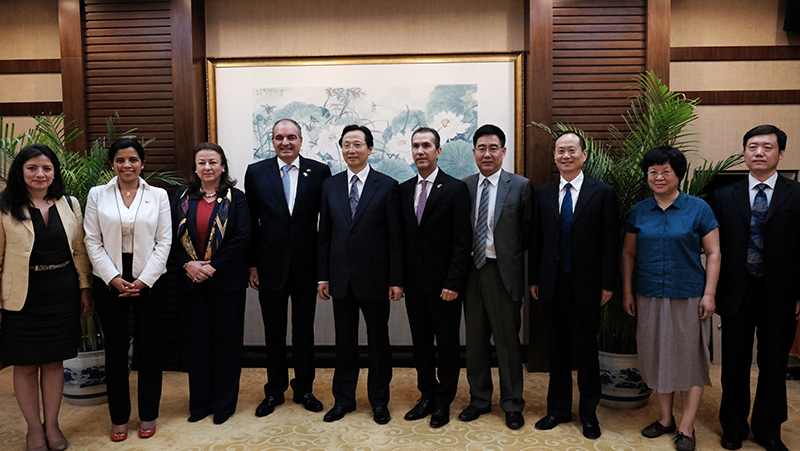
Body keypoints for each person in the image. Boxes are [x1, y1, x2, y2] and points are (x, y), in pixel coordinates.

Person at [622, 146, 720, 451]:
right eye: (652, 171)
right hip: (649, 291)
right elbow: (628, 253)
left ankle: (686, 427)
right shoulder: (639, 210)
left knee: (690, 359)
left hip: (688, 293)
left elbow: (715, 252)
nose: (659, 177)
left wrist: (709, 294)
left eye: (666, 171)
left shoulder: (698, 209)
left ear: (679, 174)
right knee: (656, 355)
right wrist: (627, 290)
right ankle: (665, 419)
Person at [713, 125, 800, 451]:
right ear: (744, 152)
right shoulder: (724, 196)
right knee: (733, 363)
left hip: (781, 293)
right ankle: (733, 427)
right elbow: (714, 249)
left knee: (773, 364)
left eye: (767, 147)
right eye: (752, 147)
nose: (759, 152)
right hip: (736, 290)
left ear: (780, 153)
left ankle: (768, 429)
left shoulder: (797, 194)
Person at [0, 144, 91, 451]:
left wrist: (84, 287)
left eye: (47, 168)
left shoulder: (69, 203)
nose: (40, 174)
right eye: (32, 168)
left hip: (61, 293)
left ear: (55, 172)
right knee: (25, 365)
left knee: (54, 362)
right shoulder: (5, 206)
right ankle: (33, 428)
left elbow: (79, 250)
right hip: (21, 298)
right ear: (21, 172)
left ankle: (52, 425)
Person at [530, 132, 619, 439]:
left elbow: (611, 242)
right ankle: (557, 409)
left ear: (584, 155)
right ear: (554, 157)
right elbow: (537, 241)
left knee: (586, 351)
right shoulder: (542, 194)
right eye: (560, 151)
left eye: (571, 150)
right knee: (556, 350)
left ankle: (589, 414)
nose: (565, 156)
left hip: (588, 285)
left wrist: (608, 283)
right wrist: (534, 279)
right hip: (551, 283)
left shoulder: (603, 193)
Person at [84, 138, 172, 442]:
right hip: (110, 282)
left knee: (150, 350)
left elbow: (165, 241)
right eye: (120, 160)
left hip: (150, 282)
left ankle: (149, 414)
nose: (127, 165)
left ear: (142, 163)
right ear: (112, 164)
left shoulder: (158, 195)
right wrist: (112, 277)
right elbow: (92, 241)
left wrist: (145, 279)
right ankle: (119, 417)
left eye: (133, 159)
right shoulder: (98, 195)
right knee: (116, 351)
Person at [317, 124, 403, 424]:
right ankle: (344, 399)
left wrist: (396, 279)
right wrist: (322, 276)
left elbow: (395, 238)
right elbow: (325, 235)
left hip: (376, 278)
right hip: (340, 278)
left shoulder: (387, 185)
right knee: (344, 343)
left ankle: (379, 401)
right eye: (346, 145)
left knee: (378, 343)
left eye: (357, 144)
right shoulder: (330, 185)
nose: (351, 150)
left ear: (370, 148)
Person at [245, 118, 331, 417]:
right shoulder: (256, 173)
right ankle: (275, 390)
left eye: (291, 137)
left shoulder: (319, 172)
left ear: (301, 140)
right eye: (279, 137)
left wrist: (324, 271)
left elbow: (327, 226)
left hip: (306, 267)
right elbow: (251, 223)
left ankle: (304, 389)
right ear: (272, 141)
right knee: (274, 332)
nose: (285, 143)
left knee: (304, 331)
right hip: (269, 267)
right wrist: (252, 264)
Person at [459, 124, 532, 430]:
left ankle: (512, 403)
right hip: (472, 272)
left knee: (507, 342)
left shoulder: (520, 186)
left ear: (503, 151)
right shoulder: (462, 186)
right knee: (475, 341)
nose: (486, 154)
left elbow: (527, 233)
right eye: (481, 148)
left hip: (503, 273)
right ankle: (479, 399)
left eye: (493, 148)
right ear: (474, 152)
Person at [172, 142, 250, 425]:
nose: (207, 167)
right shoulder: (180, 198)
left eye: (213, 162)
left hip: (227, 282)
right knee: (198, 345)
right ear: (195, 167)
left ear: (223, 166)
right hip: (191, 281)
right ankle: (199, 404)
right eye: (202, 162)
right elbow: (168, 237)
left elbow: (242, 237)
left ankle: (224, 404)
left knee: (227, 345)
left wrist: (213, 267)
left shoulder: (236, 198)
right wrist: (188, 264)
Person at [399, 127, 471, 428]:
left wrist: (453, 283)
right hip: (414, 285)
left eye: (427, 145)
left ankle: (444, 400)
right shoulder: (402, 190)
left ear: (438, 151)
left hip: (445, 287)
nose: (420, 151)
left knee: (447, 345)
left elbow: (461, 241)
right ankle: (426, 395)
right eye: (416, 146)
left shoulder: (455, 188)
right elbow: (400, 240)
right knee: (421, 345)